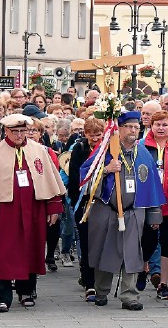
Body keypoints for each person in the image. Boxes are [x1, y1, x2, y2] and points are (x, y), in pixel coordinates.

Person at [0, 114, 65, 312]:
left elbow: (49, 180)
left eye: (23, 131)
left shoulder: (39, 150)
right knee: (2, 254)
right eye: (15, 131)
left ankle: (26, 291)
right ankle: (2, 296)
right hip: (3, 213)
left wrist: (53, 207)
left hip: (33, 210)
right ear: (6, 131)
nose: (20, 135)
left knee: (31, 250)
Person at [80, 111, 165, 311]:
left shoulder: (143, 153)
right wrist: (107, 169)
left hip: (134, 211)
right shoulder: (104, 151)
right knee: (104, 250)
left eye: (136, 127)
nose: (133, 130)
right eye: (129, 127)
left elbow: (153, 184)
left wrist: (154, 214)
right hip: (106, 209)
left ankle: (130, 295)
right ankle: (101, 291)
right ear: (119, 128)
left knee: (132, 253)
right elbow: (84, 179)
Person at [139, 111, 168, 301]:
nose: (161, 128)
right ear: (151, 126)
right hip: (148, 202)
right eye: (157, 124)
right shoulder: (141, 146)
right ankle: (142, 268)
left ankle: (163, 284)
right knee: (147, 242)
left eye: (164, 125)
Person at [67, 117, 105, 302]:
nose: (95, 139)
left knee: (101, 243)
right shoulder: (79, 150)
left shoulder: (107, 149)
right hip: (83, 202)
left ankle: (100, 280)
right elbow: (74, 176)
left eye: (98, 135)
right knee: (86, 243)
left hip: (102, 203)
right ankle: (89, 283)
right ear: (85, 134)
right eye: (91, 135)